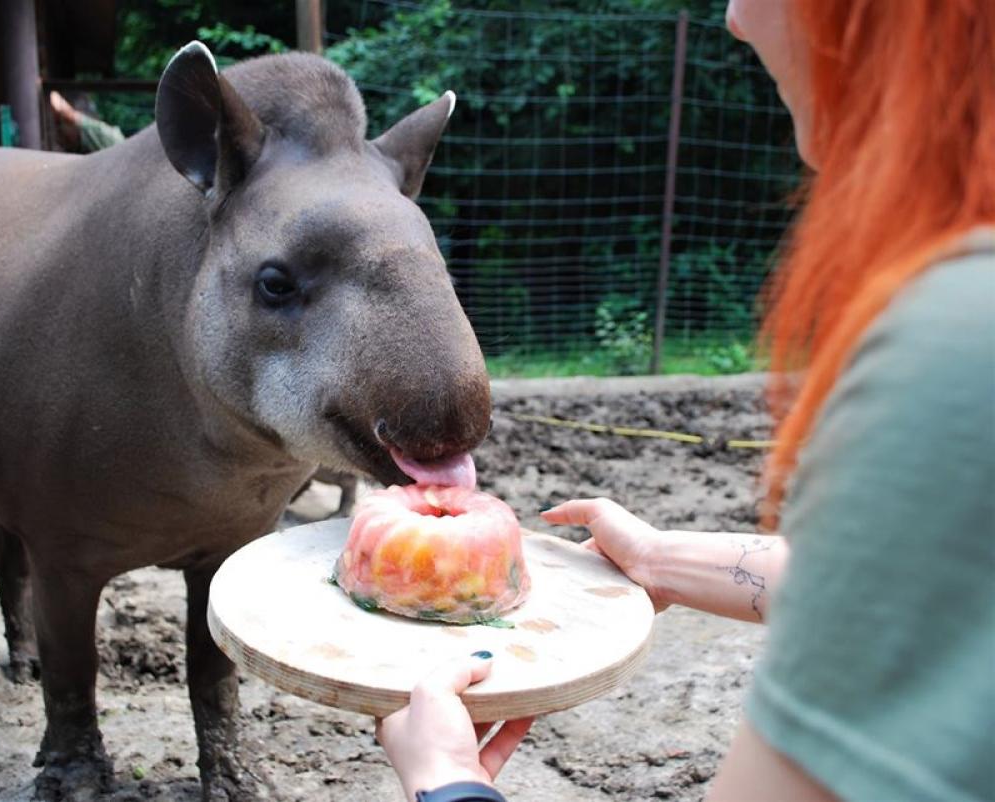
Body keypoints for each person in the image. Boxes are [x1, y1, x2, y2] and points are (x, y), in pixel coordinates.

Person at [375, 0, 995, 800]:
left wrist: (452, 783)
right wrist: (662, 561)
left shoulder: (957, 347)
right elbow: (933, 584)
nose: (735, 17)